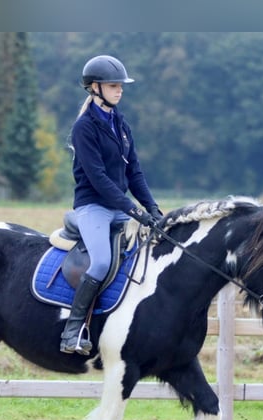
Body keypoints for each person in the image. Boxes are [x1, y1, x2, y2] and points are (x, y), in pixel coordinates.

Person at [60, 54, 163, 355]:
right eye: (113, 85)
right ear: (95, 88)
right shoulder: (84, 128)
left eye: (121, 85)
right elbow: (99, 179)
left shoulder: (121, 124)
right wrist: (135, 211)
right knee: (102, 262)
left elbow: (135, 172)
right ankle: (72, 331)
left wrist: (153, 209)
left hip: (119, 206)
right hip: (93, 206)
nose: (119, 90)